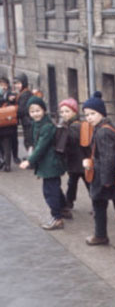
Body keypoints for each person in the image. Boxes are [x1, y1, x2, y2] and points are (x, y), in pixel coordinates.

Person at [82, 91, 115, 248]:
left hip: (105, 177)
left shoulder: (103, 131)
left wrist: (106, 181)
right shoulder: (109, 126)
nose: (89, 118)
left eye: (92, 114)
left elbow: (107, 157)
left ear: (101, 113)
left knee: (99, 204)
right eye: (87, 115)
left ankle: (101, 236)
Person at [18, 96, 67, 230]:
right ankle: (64, 208)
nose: (35, 114)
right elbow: (35, 143)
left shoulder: (47, 126)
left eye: (38, 110)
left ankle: (57, 218)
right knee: (54, 187)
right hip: (47, 163)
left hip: (51, 163)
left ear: (44, 110)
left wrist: (29, 161)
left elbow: (41, 147)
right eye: (32, 111)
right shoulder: (36, 124)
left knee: (49, 191)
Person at [58, 98, 90, 210]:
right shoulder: (70, 125)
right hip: (75, 161)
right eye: (62, 112)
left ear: (74, 112)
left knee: (84, 183)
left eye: (67, 111)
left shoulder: (74, 126)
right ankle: (69, 202)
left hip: (78, 160)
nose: (64, 114)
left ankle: (70, 202)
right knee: (73, 183)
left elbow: (71, 142)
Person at [0, 76, 18, 171]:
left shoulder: (11, 94)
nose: (3, 87)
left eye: (4, 85)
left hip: (7, 124)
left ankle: (7, 165)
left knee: (7, 145)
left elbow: (13, 107)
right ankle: (2, 162)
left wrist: (9, 98)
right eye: (1, 85)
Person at [14, 73, 33, 157]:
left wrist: (14, 114)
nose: (17, 86)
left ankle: (32, 160)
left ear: (24, 83)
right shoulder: (23, 93)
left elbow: (21, 110)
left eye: (19, 83)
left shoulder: (25, 94)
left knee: (29, 142)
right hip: (26, 121)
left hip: (28, 122)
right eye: (16, 83)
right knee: (28, 141)